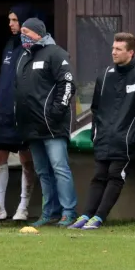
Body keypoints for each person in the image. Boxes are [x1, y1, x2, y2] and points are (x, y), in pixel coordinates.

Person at [69, 33, 135, 230]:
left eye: (118, 49)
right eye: (113, 48)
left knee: (115, 175)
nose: (113, 52)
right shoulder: (105, 75)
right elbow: (96, 108)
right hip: (105, 137)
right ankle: (86, 215)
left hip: (127, 140)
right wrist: (96, 133)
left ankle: (99, 217)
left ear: (130, 52)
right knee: (99, 176)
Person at [14, 18, 78, 227]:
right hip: (31, 127)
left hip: (52, 126)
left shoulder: (56, 53)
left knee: (60, 168)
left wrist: (55, 113)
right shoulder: (23, 57)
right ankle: (49, 212)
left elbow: (67, 84)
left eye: (26, 32)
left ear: (38, 33)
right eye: (21, 32)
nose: (22, 35)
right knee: (42, 172)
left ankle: (68, 212)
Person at [0, 4, 37, 221]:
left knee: (26, 160)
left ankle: (23, 206)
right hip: (3, 113)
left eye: (15, 20)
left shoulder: (34, 47)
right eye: (9, 20)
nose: (11, 24)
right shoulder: (9, 45)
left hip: (24, 114)